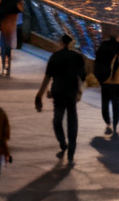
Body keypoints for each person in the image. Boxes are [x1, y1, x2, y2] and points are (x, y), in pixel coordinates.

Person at [35, 33, 84, 162]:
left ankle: (63, 143)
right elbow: (82, 78)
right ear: (71, 43)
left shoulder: (55, 57)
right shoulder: (77, 57)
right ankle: (72, 148)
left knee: (57, 120)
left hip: (58, 93)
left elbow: (47, 78)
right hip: (71, 93)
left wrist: (39, 95)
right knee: (72, 120)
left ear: (61, 43)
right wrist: (79, 92)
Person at [93, 31, 119, 136]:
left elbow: (97, 63)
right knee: (116, 104)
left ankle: (108, 123)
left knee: (105, 103)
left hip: (105, 80)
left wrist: (98, 77)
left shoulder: (102, 48)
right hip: (118, 81)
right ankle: (115, 125)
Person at [0, 0, 25, 76]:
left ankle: (3, 66)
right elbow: (21, 10)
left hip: (4, 24)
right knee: (9, 48)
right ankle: (8, 68)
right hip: (12, 26)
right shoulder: (18, 1)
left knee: (3, 46)